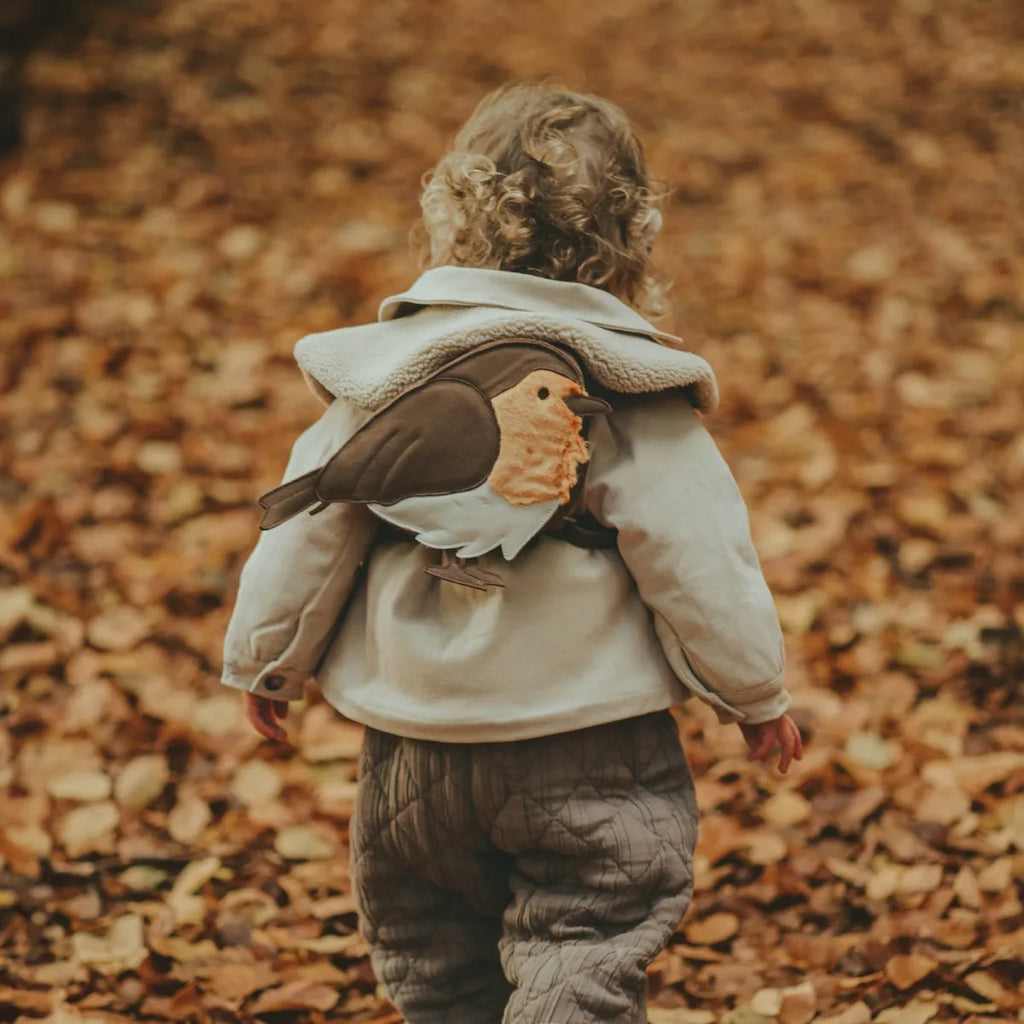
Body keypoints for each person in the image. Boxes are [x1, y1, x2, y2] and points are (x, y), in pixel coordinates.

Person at [221, 83, 803, 1024]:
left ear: (451, 215)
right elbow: (697, 556)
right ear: (631, 238)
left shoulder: (387, 379)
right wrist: (754, 693)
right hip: (586, 742)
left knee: (436, 959)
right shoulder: (628, 392)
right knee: (584, 943)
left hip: (414, 751)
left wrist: (266, 661)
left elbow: (308, 531)